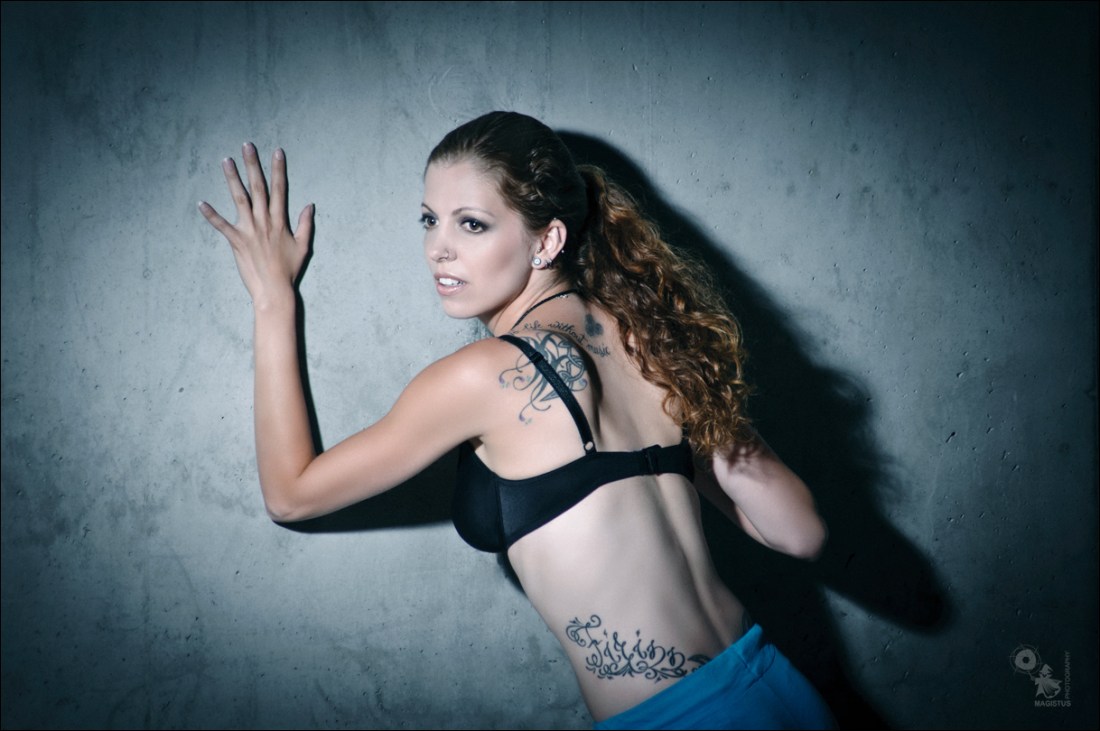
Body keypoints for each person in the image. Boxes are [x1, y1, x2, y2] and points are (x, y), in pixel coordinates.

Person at [198, 111, 837, 730]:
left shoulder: (485, 375)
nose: (437, 250)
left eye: (471, 225)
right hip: (774, 686)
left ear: (548, 239)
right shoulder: (653, 343)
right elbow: (799, 533)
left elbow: (291, 494)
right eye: (429, 220)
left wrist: (274, 298)